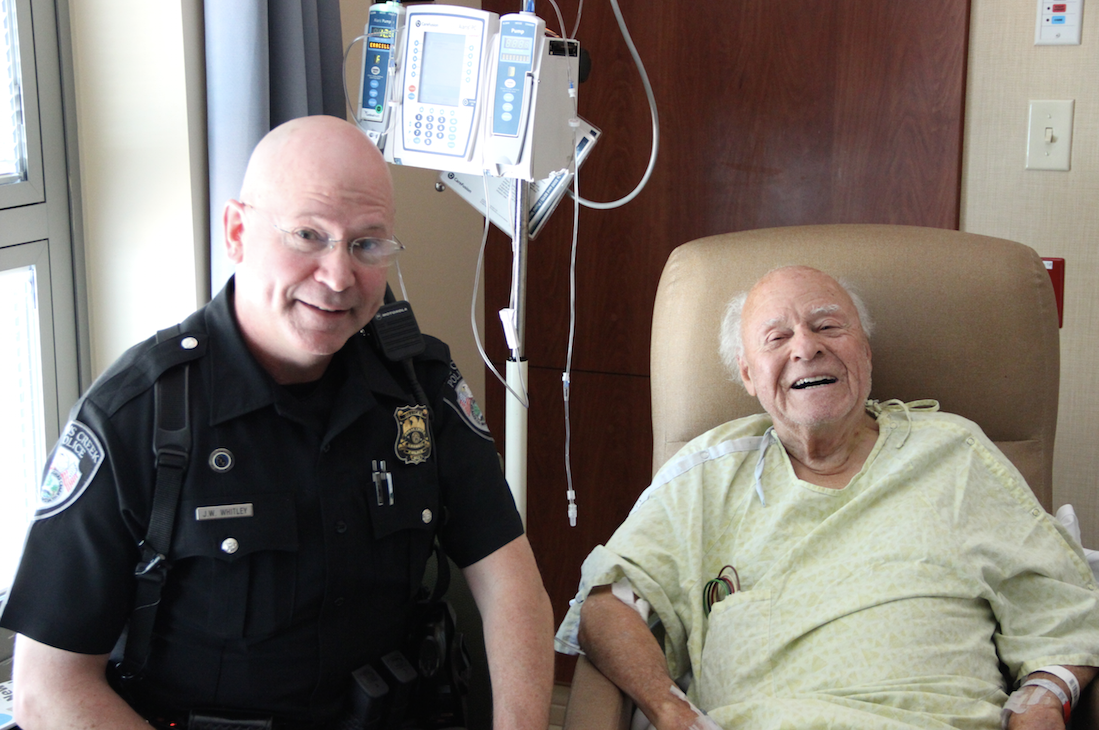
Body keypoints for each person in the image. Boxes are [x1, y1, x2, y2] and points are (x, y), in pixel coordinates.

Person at [1, 115, 555, 730]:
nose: (338, 277)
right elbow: (47, 689)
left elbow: (510, 581)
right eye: (308, 236)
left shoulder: (418, 387)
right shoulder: (138, 416)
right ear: (237, 232)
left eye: (367, 244)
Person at [555, 265, 1099, 730]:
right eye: (777, 338)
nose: (806, 347)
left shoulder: (954, 453)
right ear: (747, 375)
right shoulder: (707, 474)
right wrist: (670, 711)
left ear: (865, 351)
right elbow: (608, 604)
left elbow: (1060, 604)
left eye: (827, 326)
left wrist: (1042, 700)